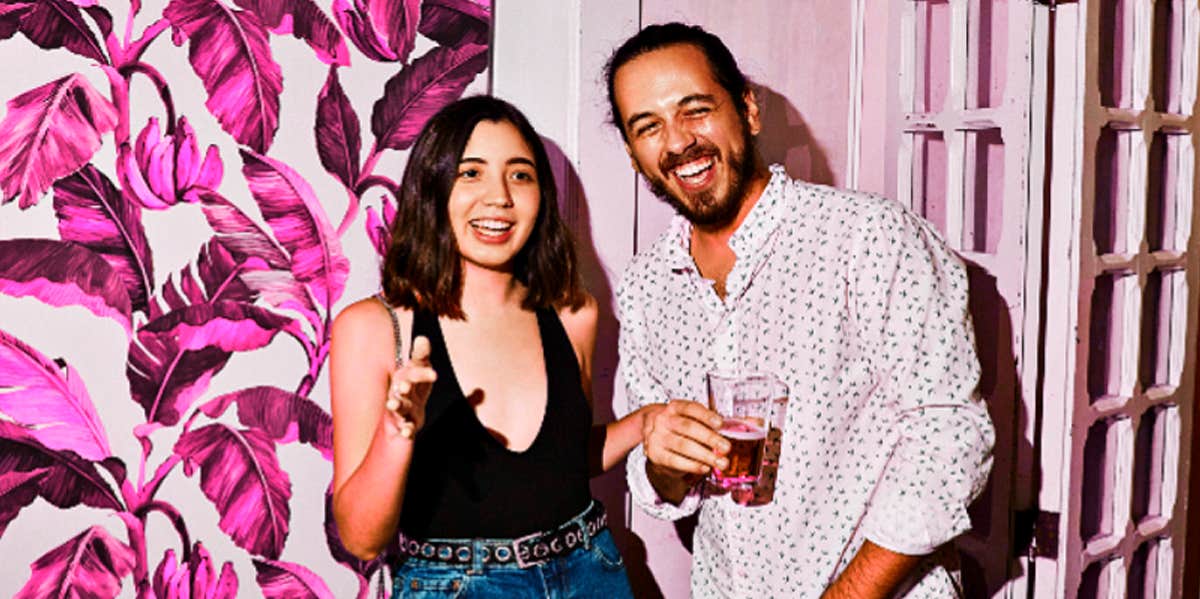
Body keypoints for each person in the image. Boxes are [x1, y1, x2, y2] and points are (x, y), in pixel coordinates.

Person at [606, 23, 995, 598]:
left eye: (696, 110)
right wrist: (664, 464)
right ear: (635, 155)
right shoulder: (644, 286)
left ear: (748, 110)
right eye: (649, 127)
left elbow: (950, 439)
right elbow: (653, 476)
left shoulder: (871, 237)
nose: (678, 141)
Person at [330, 95, 656, 597]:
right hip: (458, 585)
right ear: (432, 188)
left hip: (591, 570)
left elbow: (558, 462)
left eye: (520, 175)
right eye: (471, 173)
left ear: (541, 196)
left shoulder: (574, 314)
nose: (499, 197)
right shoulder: (373, 329)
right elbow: (361, 539)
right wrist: (397, 434)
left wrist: (644, 423)